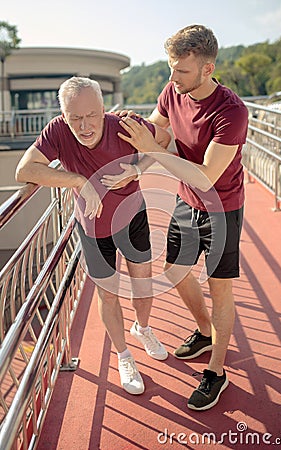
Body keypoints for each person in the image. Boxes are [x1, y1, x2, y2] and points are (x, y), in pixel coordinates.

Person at [113, 24, 249, 410]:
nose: (173, 78)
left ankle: (217, 372)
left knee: (219, 288)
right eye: (171, 68)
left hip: (223, 207)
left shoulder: (231, 111)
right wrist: (134, 146)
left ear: (207, 69)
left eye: (182, 70)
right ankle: (205, 332)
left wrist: (152, 154)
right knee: (174, 270)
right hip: (187, 201)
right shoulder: (174, 90)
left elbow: (206, 176)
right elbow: (156, 129)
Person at [15, 76, 171, 395]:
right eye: (75, 118)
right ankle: (124, 356)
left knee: (142, 284)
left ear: (103, 109)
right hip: (93, 228)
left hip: (133, 216)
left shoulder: (125, 124)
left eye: (91, 116)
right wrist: (78, 181)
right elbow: (24, 171)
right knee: (108, 294)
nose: (85, 126)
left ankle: (143, 328)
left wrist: (138, 167)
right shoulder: (57, 131)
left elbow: (165, 139)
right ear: (63, 116)